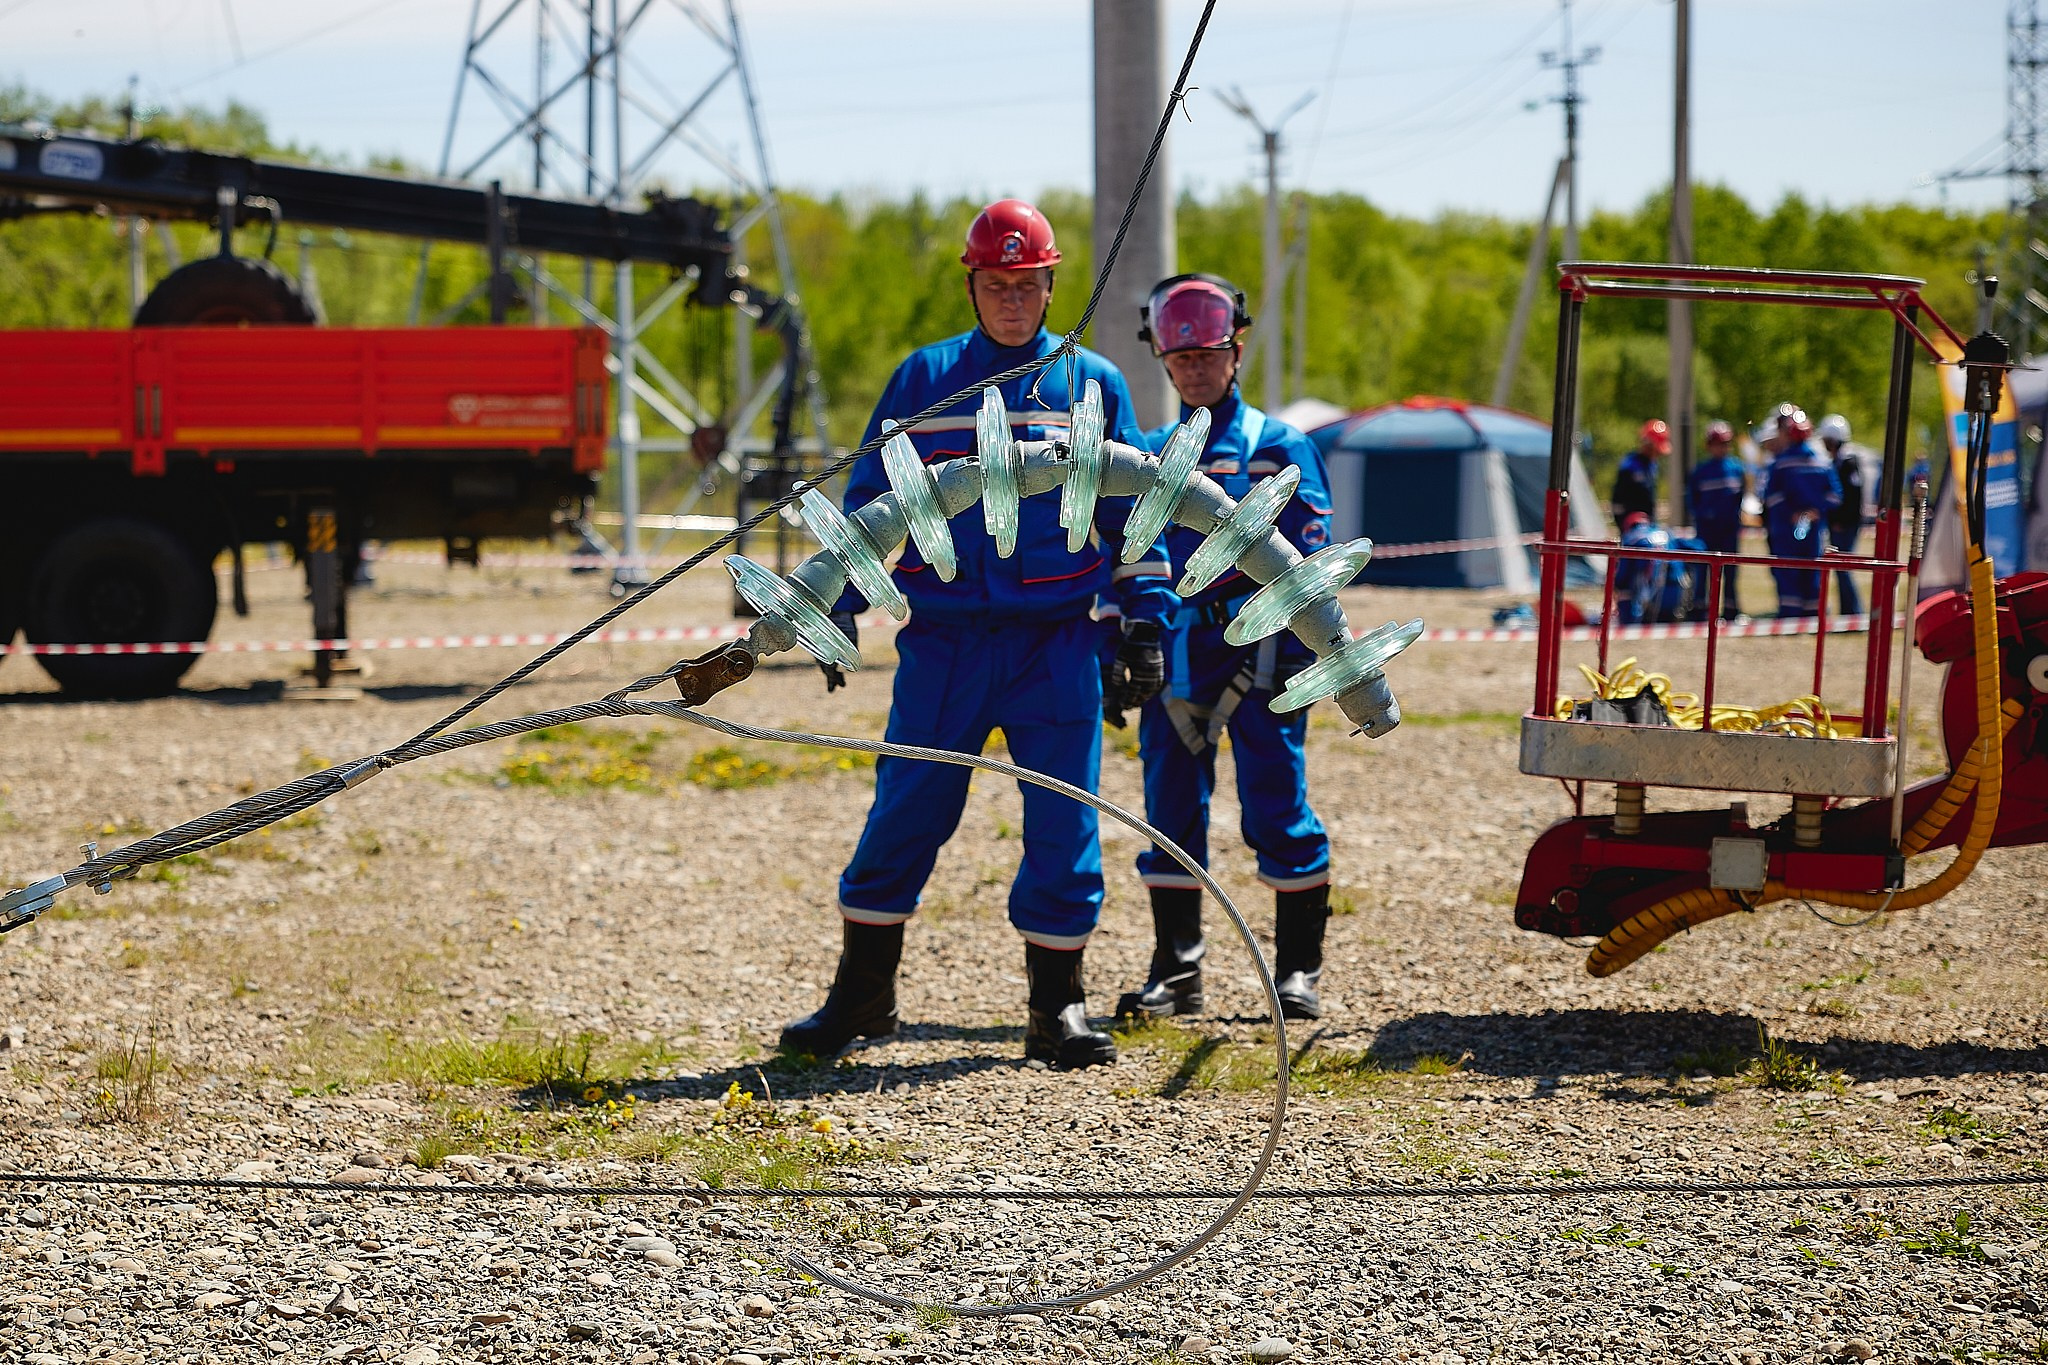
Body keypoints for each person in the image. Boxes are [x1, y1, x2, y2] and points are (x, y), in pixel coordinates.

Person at [783, 199, 1178, 1069]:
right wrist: (835, 606)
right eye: (996, 284)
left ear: (1051, 285)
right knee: (905, 812)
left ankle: (1057, 1007)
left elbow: (1139, 514)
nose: (1011, 299)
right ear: (972, 284)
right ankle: (861, 995)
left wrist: (1145, 622)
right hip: (945, 642)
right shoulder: (924, 381)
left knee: (1063, 821)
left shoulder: (1094, 385)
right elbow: (869, 506)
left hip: (1056, 643)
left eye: (1028, 283)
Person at [1113, 273, 1339, 1023]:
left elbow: (1307, 559)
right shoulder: (1147, 455)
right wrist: (1122, 642)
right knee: (1170, 810)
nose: (1196, 368)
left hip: (1266, 652)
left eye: (1209, 354)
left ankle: (1298, 971)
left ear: (1236, 349)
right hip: (1177, 657)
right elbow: (1131, 562)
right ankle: (1178, 971)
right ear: (1164, 361)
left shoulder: (1281, 448)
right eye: (1182, 359)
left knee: (1276, 807)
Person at [1760, 403, 1841, 618]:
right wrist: (1816, 510)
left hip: (1786, 527)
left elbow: (1771, 496)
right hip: (1812, 526)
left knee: (1788, 569)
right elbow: (1834, 496)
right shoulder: (1822, 463)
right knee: (1812, 569)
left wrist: (1792, 513)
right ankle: (1812, 617)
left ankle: (1790, 616)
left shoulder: (1780, 463)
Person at [1686, 420, 1748, 619]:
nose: (1722, 448)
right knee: (1703, 569)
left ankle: (1730, 610)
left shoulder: (1736, 468)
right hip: (1706, 530)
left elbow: (1741, 495)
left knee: (1730, 570)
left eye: (1725, 444)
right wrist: (1705, 516)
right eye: (1717, 444)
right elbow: (1692, 500)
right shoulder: (1701, 472)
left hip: (1729, 529)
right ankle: (1700, 610)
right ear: (1709, 446)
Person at [1818, 413, 1864, 617]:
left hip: (1845, 525)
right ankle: (1848, 611)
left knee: (1843, 568)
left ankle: (1853, 612)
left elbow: (1853, 496)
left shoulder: (1847, 462)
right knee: (1840, 568)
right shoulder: (1840, 460)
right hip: (1841, 523)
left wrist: (1841, 521)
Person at [1610, 419, 1668, 527]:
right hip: (1631, 523)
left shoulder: (1652, 466)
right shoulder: (1629, 465)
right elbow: (1618, 500)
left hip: (1648, 522)